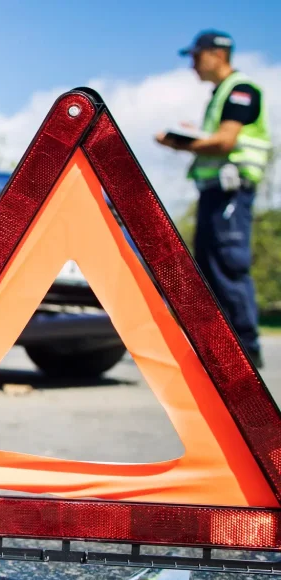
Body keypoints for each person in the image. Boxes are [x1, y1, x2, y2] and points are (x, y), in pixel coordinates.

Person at [156, 30, 270, 368]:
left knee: (228, 265)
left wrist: (182, 143)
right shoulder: (221, 94)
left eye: (195, 57)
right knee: (208, 266)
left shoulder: (241, 90)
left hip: (230, 193)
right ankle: (219, 349)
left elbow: (225, 142)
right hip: (214, 194)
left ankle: (246, 351)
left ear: (217, 55)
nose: (192, 65)